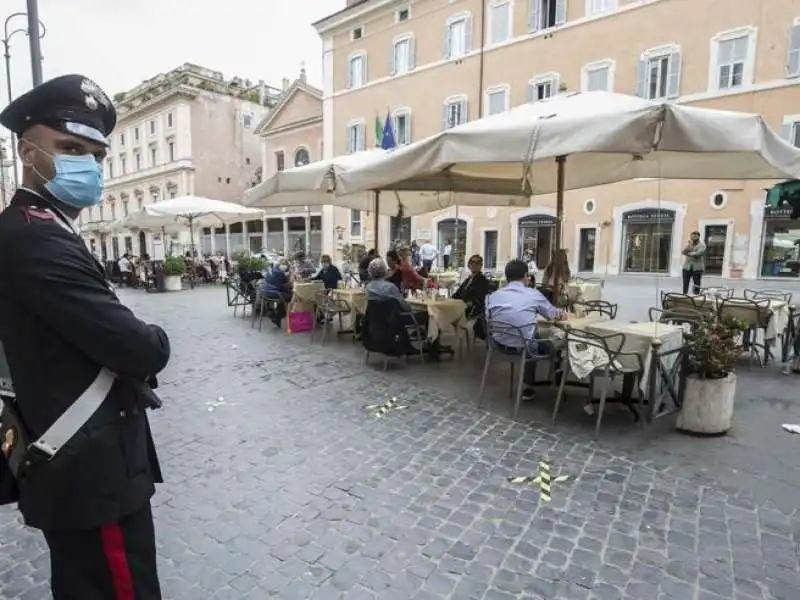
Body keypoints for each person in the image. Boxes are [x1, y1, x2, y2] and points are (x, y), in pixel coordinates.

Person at [0, 74, 170, 599]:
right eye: (70, 148)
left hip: (74, 462)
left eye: (96, 155)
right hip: (89, 467)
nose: (88, 166)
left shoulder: (43, 227)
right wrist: (156, 335)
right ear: (28, 151)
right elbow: (139, 347)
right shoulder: (35, 237)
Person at [486, 259, 566, 400]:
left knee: (530, 335)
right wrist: (562, 313)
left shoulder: (493, 296)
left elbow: (489, 321)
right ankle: (556, 382)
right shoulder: (532, 294)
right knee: (561, 338)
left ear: (506, 276)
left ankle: (529, 386)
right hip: (525, 349)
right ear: (525, 276)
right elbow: (553, 314)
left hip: (498, 346)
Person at [365, 258, 429, 330]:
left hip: (376, 320)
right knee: (428, 313)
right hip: (396, 319)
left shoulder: (368, 288)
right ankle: (430, 337)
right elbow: (405, 307)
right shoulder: (390, 287)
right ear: (384, 270)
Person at [453, 254, 492, 318]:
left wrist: (465, 305)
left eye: (477, 263)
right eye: (472, 262)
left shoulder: (483, 281)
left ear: (480, 266)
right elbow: (458, 293)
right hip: (461, 310)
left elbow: (480, 301)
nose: (474, 264)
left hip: (472, 314)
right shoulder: (468, 279)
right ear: (469, 264)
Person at [261, 258, 293, 327]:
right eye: (285, 265)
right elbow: (285, 286)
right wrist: (290, 282)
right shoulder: (280, 273)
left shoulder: (272, 271)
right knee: (290, 296)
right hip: (274, 293)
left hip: (265, 293)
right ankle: (279, 316)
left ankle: (274, 313)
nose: (285, 267)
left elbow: (277, 283)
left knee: (285, 295)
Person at [682, 231, 707, 295]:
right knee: (685, 283)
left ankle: (696, 297)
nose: (693, 238)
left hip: (697, 268)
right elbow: (683, 252)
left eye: (695, 236)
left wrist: (688, 253)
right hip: (686, 267)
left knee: (696, 284)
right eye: (692, 236)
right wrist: (689, 246)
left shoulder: (702, 245)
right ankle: (684, 296)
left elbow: (698, 254)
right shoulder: (689, 244)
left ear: (698, 237)